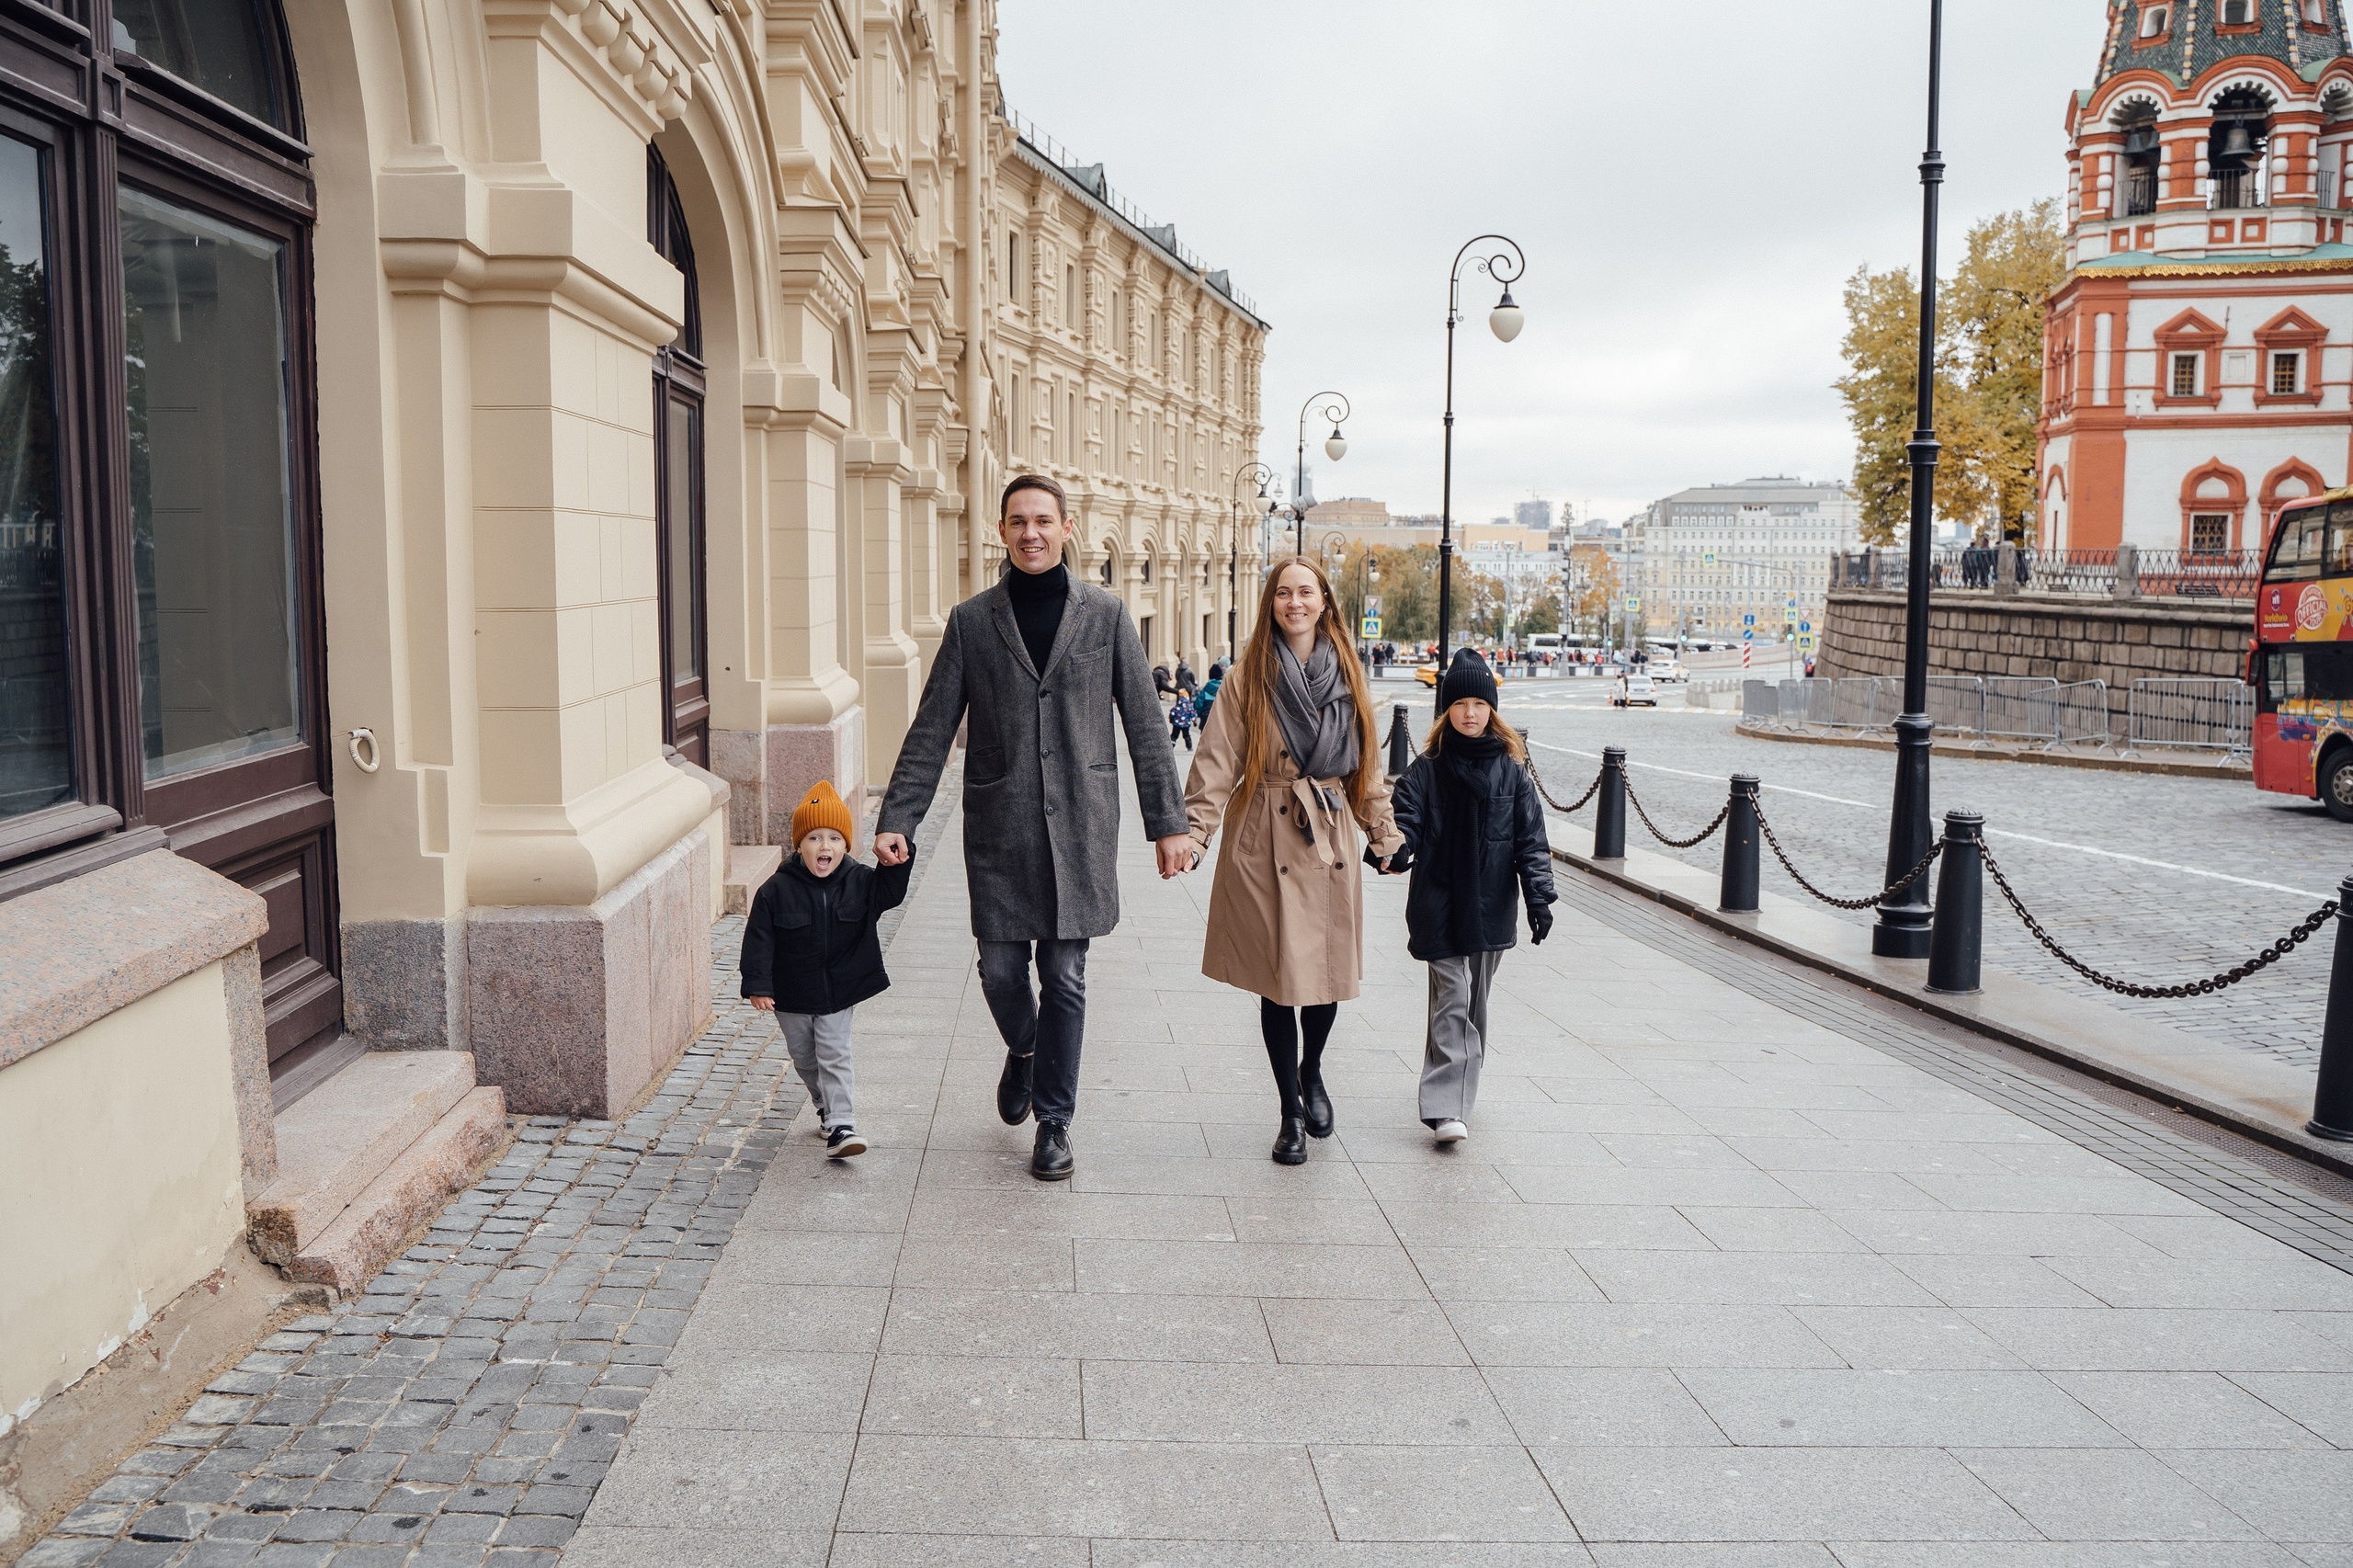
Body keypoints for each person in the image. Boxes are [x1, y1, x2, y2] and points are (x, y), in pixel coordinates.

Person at [875, 474, 1191, 1181]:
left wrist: (1169, 825)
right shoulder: (971, 621)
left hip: (1081, 823)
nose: (1031, 533)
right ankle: (1023, 1049)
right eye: (1018, 521)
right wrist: (900, 816)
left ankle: (1055, 1122)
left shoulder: (1106, 615)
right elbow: (931, 729)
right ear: (1002, 530)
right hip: (1001, 824)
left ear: (1068, 528)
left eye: (1043, 520)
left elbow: (1145, 723)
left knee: (1066, 974)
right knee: (998, 970)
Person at [1183, 556, 1405, 1165]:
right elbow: (1215, 760)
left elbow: (1366, 767)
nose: (1294, 603)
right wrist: (1195, 834)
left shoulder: (1349, 673)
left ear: (1324, 600)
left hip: (1329, 832)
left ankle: (1313, 1070)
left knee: (1326, 976)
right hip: (1265, 832)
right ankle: (1288, 1112)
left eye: (1305, 592)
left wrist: (1384, 836)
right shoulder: (1247, 675)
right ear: (1271, 603)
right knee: (1279, 982)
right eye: (1283, 593)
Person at [1390, 650, 1556, 1146]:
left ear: (1492, 710)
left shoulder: (1513, 773)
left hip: (1489, 904)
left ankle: (1455, 1095)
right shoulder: (1425, 770)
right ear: (1445, 711)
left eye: (1478, 703)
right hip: (1438, 899)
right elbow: (1406, 822)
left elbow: (1531, 841)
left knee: (1469, 1005)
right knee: (1454, 999)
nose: (1469, 712)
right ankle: (1446, 1110)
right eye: (1459, 703)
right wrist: (1396, 850)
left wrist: (1540, 900)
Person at [739, 781, 914, 1160]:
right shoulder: (775, 890)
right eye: (814, 838)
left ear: (846, 845)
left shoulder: (861, 881)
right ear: (798, 845)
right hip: (791, 994)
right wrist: (758, 984)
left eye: (834, 838)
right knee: (804, 1056)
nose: (825, 847)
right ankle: (824, 1105)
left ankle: (842, 1125)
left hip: (839, 990)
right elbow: (759, 940)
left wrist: (898, 859)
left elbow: (892, 893)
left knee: (833, 1052)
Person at [1170, 685, 1199, 751]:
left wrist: (1171, 719)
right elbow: (1193, 713)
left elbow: (1172, 713)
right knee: (1186, 735)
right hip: (1186, 724)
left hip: (1176, 724)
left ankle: (1172, 743)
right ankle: (1189, 746)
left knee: (1174, 735)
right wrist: (1194, 721)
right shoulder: (1189, 707)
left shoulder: (1177, 706)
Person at [1196, 661, 1224, 730]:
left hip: (1206, 719)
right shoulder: (1224, 689)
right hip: (1221, 721)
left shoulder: (1205, 690)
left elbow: (1198, 705)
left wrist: (1200, 714)